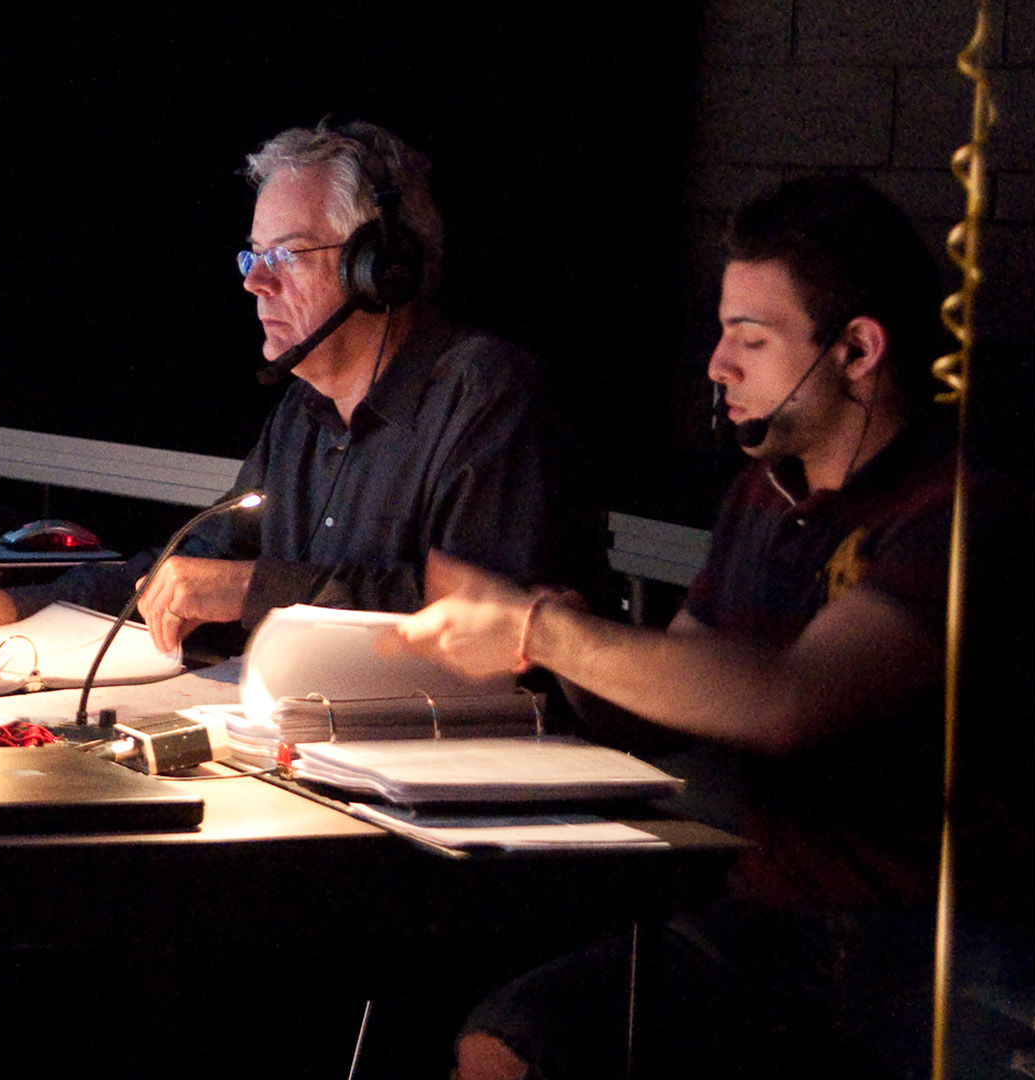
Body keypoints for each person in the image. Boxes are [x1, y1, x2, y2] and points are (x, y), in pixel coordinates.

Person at [390, 177, 987, 1078]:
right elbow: (682, 693)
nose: (717, 364)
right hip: (769, 923)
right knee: (507, 1042)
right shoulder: (764, 492)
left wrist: (546, 630)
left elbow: (789, 700)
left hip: (941, 949)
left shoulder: (958, 509)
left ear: (859, 348)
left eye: (751, 338)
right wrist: (552, 647)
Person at [0, 120, 598, 652]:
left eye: (286, 253)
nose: (255, 281)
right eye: (252, 254)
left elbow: (485, 618)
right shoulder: (302, 415)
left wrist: (253, 589)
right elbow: (192, 569)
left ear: (382, 267)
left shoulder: (488, 398)